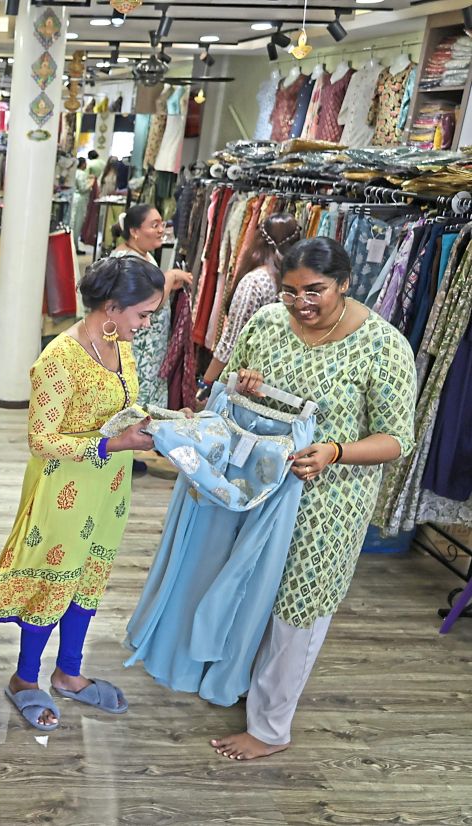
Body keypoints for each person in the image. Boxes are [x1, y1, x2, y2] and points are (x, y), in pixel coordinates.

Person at [210, 237, 416, 760]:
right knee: (250, 588)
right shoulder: (267, 323)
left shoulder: (383, 346)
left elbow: (396, 439)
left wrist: (337, 451)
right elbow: (236, 387)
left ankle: (269, 728)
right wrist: (244, 383)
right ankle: (236, 681)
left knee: (299, 606)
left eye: (315, 290)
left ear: (345, 283)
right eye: (290, 291)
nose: (301, 302)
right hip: (257, 486)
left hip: (328, 502)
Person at [0, 255, 165, 730]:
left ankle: (68, 672)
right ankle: (24, 679)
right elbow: (41, 439)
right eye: (142, 314)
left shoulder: (118, 344)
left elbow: (125, 402)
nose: (145, 325)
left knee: (88, 576)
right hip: (65, 486)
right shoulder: (58, 360)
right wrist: (112, 442)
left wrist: (152, 424)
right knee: (53, 578)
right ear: (111, 307)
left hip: (110, 485)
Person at [200, 213, 302, 397]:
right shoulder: (297, 283)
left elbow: (232, 342)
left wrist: (206, 383)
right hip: (277, 381)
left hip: (243, 380)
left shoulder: (256, 281)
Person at [111, 203, 192, 410]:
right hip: (138, 350)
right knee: (137, 403)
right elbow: (146, 301)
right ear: (135, 231)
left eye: (162, 224)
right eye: (154, 225)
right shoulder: (126, 259)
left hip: (151, 350)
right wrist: (170, 276)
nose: (160, 230)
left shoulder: (145, 255)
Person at [69, 157, 91, 255]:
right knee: (77, 224)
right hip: (80, 200)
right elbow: (83, 188)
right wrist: (91, 183)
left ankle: (71, 245)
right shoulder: (82, 174)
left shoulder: (74, 172)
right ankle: (74, 247)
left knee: (72, 222)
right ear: (82, 164)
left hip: (74, 198)